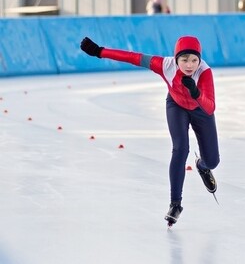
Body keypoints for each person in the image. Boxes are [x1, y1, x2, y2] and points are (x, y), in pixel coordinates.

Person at [80, 35, 220, 226]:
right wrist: (100, 52)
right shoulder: (164, 65)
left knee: (213, 161)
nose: (189, 65)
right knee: (180, 149)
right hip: (177, 106)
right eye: (184, 60)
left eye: (194, 60)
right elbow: (133, 57)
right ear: (176, 58)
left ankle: (202, 167)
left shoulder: (204, 72)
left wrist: (196, 92)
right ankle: (175, 204)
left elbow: (210, 107)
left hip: (200, 108)